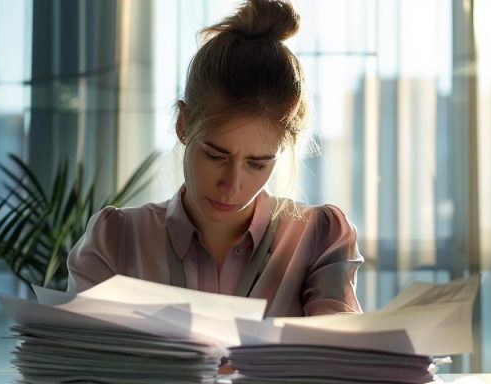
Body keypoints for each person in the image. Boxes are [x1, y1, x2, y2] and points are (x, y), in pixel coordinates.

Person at [66, 0, 362, 318]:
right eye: (215, 155)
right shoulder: (115, 240)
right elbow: (71, 359)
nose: (231, 185)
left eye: (257, 163)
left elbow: (338, 360)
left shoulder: (320, 237)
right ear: (183, 125)